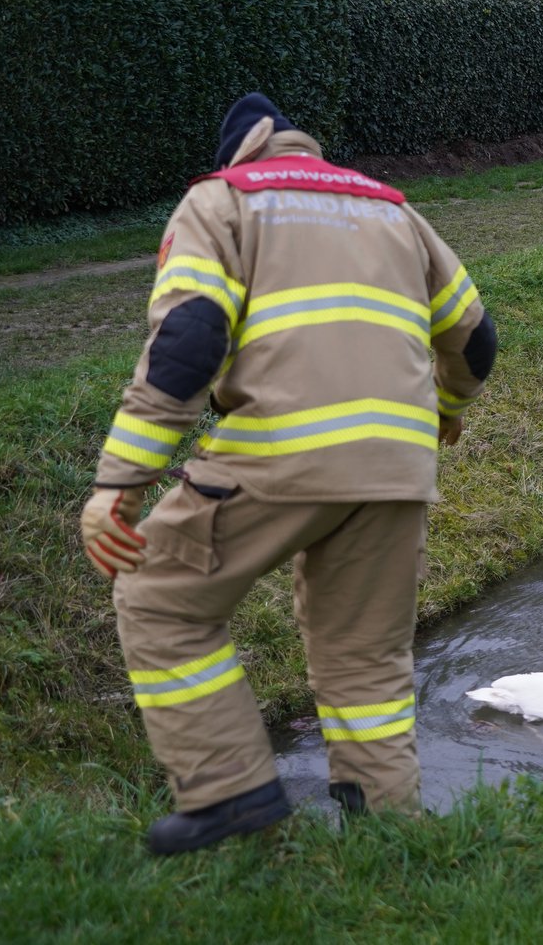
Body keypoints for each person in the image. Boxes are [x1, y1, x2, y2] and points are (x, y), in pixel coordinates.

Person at [79, 93, 496, 855]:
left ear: (237, 154)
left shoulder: (222, 202)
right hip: (398, 463)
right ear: (304, 149)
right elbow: (476, 341)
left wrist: (120, 481)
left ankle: (230, 789)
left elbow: (189, 340)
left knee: (160, 597)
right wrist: (445, 406)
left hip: (284, 445)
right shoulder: (391, 209)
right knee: (367, 665)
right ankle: (387, 840)